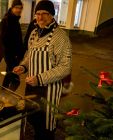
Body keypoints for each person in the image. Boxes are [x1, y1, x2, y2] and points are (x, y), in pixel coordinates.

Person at [13, 1, 72, 140]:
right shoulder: (34, 33)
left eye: (44, 14)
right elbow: (29, 55)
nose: (40, 17)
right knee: (33, 119)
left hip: (48, 91)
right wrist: (23, 66)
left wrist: (39, 78)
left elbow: (65, 67)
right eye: (38, 14)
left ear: (52, 15)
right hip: (31, 87)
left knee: (45, 127)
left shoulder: (60, 37)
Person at [0, 0, 25, 91]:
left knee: (9, 75)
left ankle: (2, 95)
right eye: (16, 8)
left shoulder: (15, 19)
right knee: (15, 80)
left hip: (16, 54)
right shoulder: (7, 20)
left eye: (20, 8)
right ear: (12, 8)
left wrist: (20, 52)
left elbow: (17, 38)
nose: (19, 10)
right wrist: (11, 55)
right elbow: (4, 40)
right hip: (10, 55)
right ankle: (6, 96)